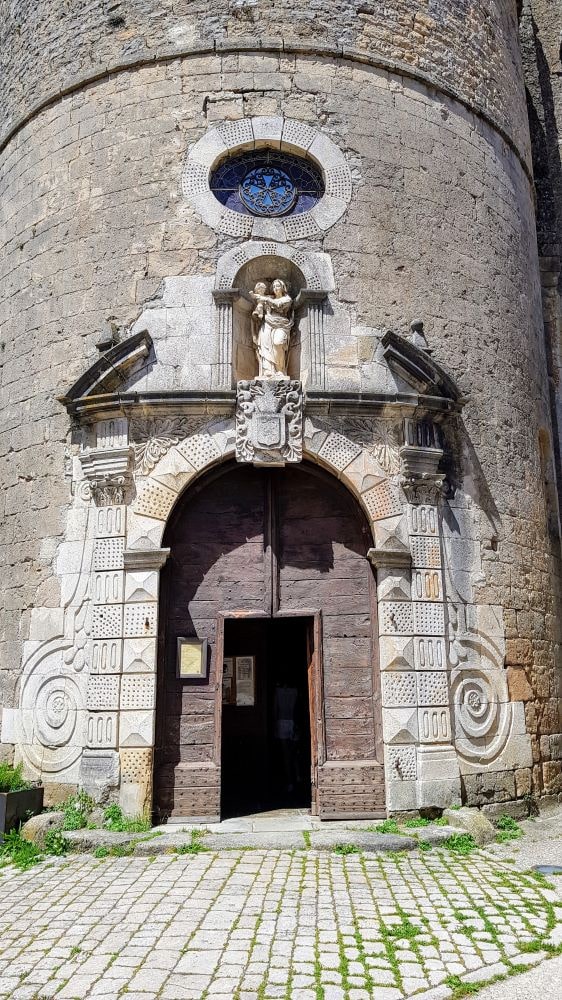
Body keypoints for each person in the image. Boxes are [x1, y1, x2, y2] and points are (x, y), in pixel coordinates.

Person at [249, 278, 293, 378]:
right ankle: (268, 370)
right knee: (265, 346)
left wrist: (264, 298)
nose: (275, 288)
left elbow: (278, 305)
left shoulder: (287, 299)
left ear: (282, 287)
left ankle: (280, 370)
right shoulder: (268, 298)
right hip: (267, 323)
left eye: (277, 286)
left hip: (281, 324)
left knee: (278, 343)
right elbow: (258, 309)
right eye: (273, 286)